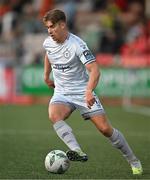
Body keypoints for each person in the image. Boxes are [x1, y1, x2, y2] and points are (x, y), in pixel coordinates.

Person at [42, 9, 143, 175]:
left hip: (82, 92)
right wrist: (46, 75)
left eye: (52, 27)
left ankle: (133, 160)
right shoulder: (48, 42)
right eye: (47, 27)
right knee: (54, 115)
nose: (49, 31)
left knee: (105, 129)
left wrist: (89, 90)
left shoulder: (77, 45)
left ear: (62, 24)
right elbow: (48, 54)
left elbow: (95, 69)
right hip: (62, 93)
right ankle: (77, 151)